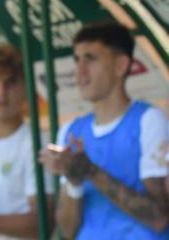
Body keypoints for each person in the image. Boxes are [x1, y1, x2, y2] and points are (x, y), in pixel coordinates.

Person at [40, 22, 168, 239]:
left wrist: (91, 171)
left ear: (121, 65)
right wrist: (74, 182)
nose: (79, 71)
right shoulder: (70, 131)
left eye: (90, 59)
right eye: (77, 60)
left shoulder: (149, 120)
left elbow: (159, 218)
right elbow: (68, 231)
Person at [0, 46, 53, 240]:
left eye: (11, 82)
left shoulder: (39, 143)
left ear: (26, 89)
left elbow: (42, 224)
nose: (1, 92)